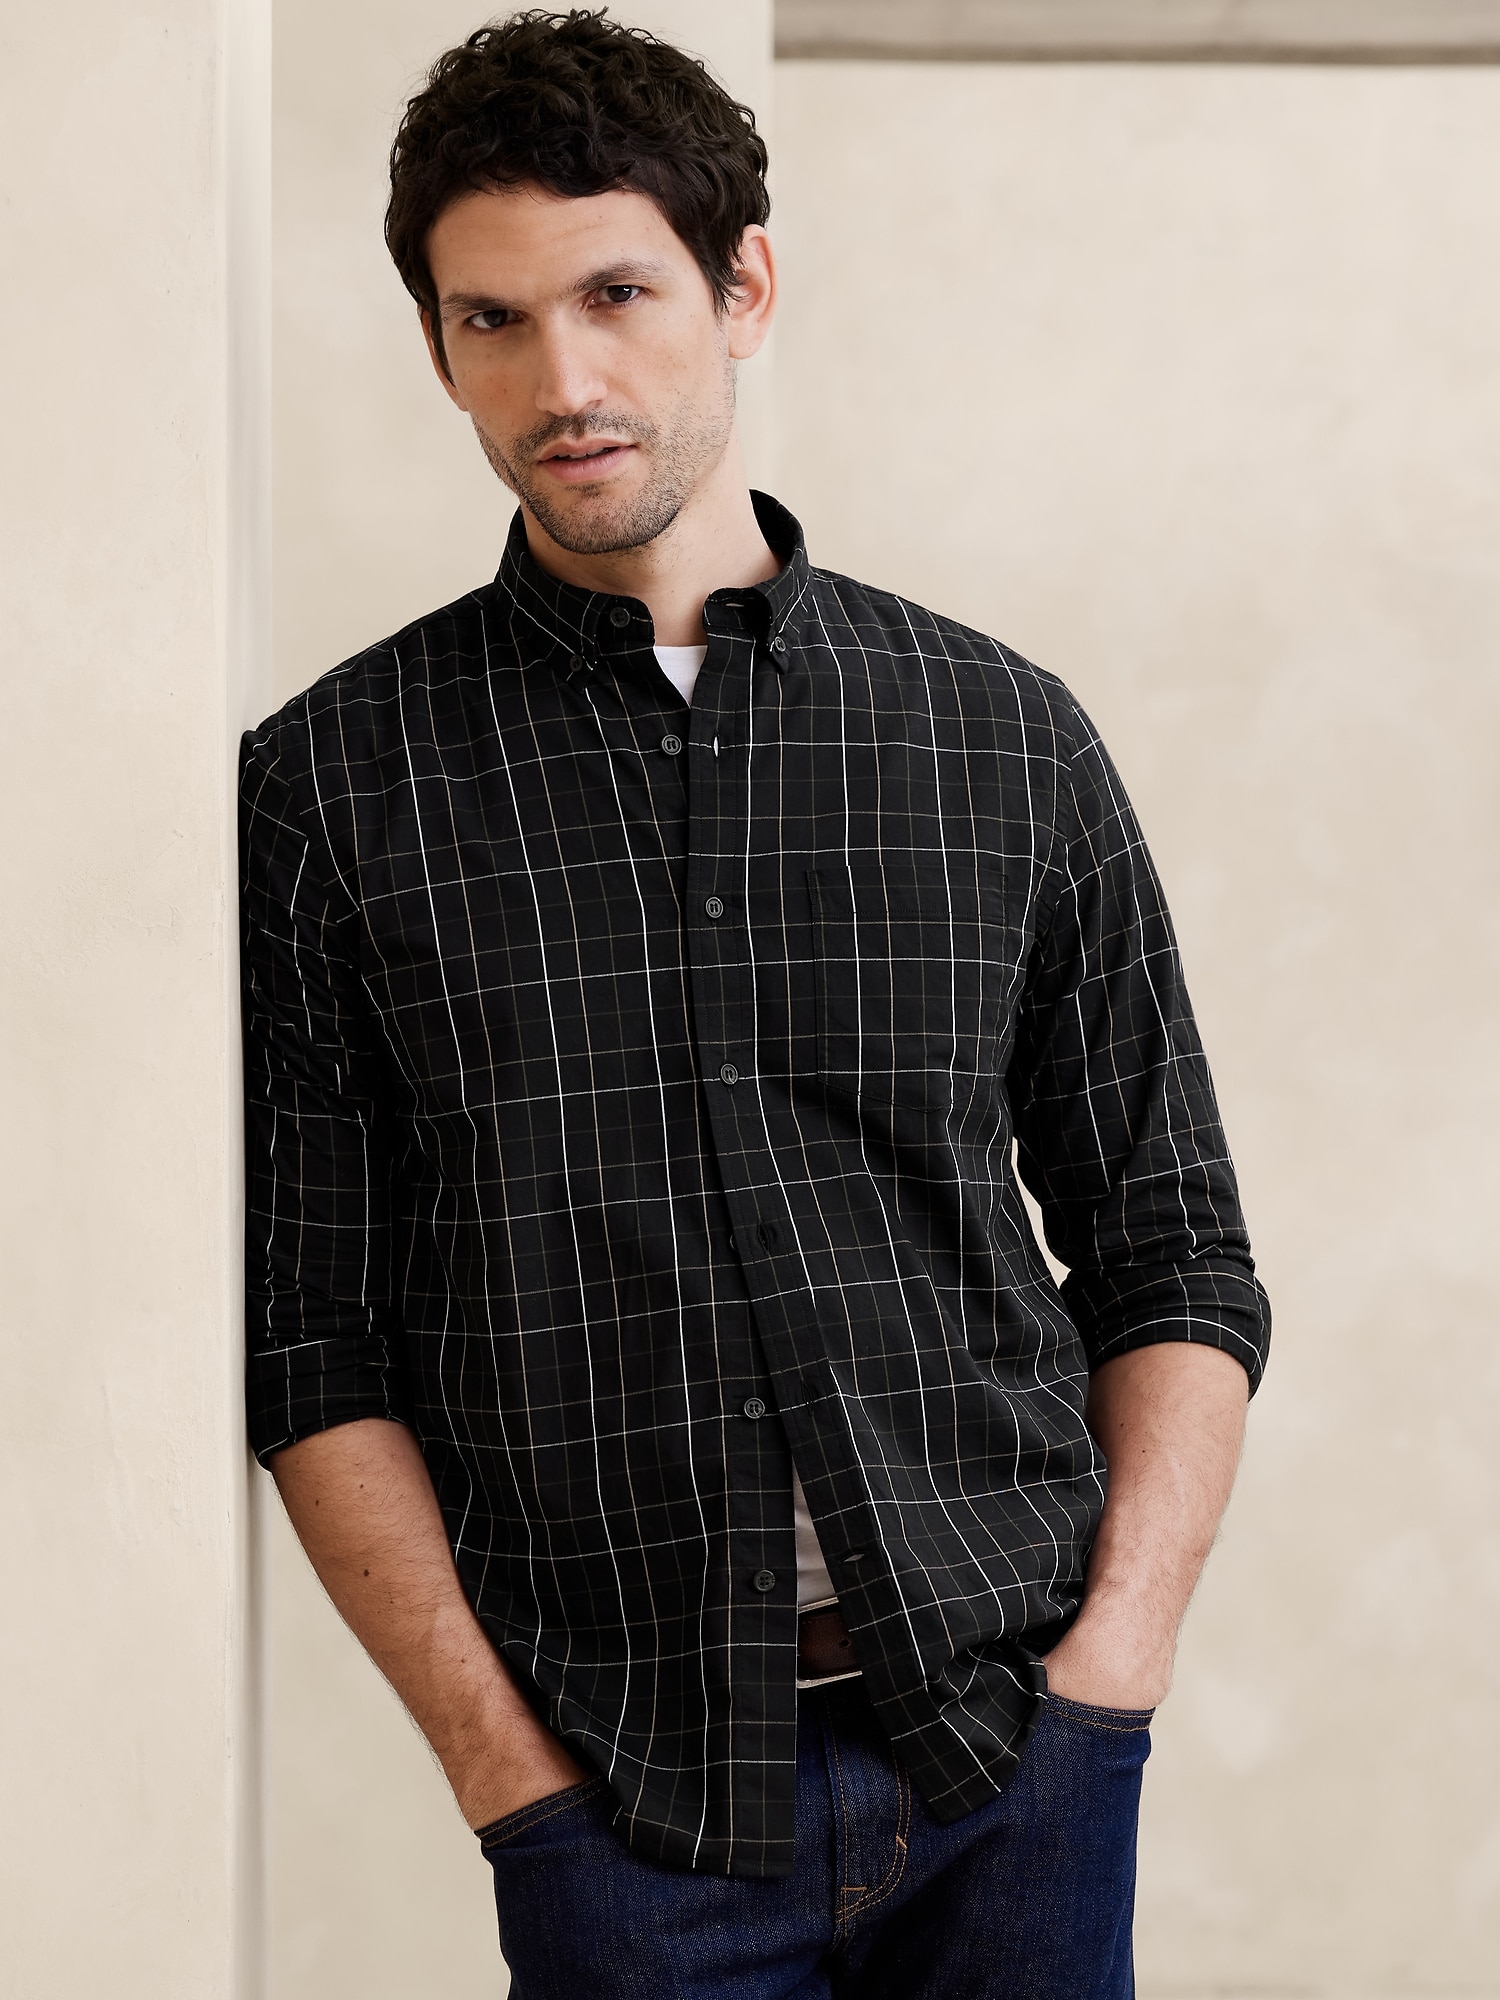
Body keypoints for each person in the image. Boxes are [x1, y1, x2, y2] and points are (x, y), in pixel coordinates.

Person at [240, 11, 1270, 1995]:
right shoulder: (329, 792)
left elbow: (1175, 1252)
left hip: (1012, 1765)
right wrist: (507, 1777)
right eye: (491, 321)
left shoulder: (1001, 736)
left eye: (617, 295)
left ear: (744, 288)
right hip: (625, 1819)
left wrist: (1112, 1677)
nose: (564, 380)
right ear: (440, 348)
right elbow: (312, 1343)